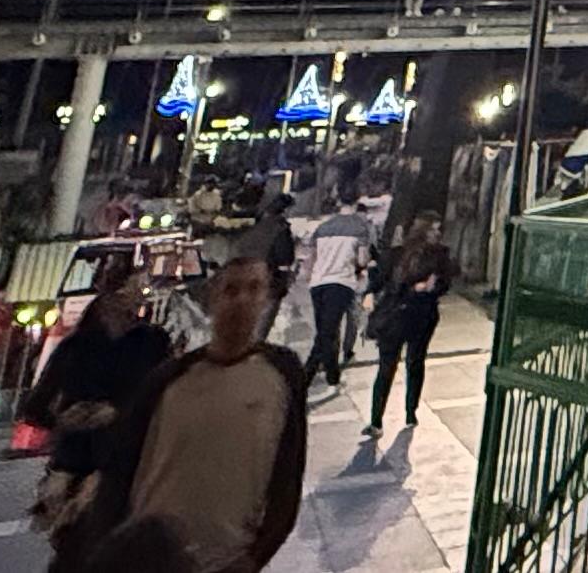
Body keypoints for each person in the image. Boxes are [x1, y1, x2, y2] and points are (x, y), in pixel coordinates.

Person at [87, 253, 307, 573]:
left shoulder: (281, 376)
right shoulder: (169, 380)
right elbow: (121, 469)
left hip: (227, 560)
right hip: (153, 561)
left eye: (254, 288)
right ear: (213, 299)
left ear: (267, 298)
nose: (242, 301)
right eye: (231, 290)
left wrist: (255, 555)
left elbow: (287, 473)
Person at [19, 256, 172, 565]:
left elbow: (164, 398)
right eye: (135, 288)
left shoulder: (152, 342)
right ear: (110, 296)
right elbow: (34, 406)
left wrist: (117, 413)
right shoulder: (75, 348)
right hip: (77, 464)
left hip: (128, 464)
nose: (140, 295)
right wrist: (65, 419)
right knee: (75, 552)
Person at [360, 216, 454, 439]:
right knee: (390, 366)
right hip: (401, 313)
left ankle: (409, 411)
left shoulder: (439, 255)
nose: (437, 235)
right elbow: (380, 279)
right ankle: (378, 419)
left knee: (413, 361)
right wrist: (370, 294)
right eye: (434, 230)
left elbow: (445, 282)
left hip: (419, 313)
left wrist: (432, 287)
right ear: (423, 232)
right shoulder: (400, 255)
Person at [298, 192, 373, 393]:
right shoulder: (359, 228)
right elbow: (362, 260)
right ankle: (304, 377)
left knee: (326, 331)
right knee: (326, 333)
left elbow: (310, 260)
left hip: (318, 283)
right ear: (356, 204)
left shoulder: (322, 228)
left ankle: (333, 377)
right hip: (341, 282)